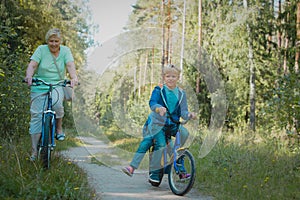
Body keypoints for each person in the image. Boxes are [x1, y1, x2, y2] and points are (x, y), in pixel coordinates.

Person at [122, 64, 196, 184]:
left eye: (173, 76)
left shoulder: (181, 93)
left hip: (172, 124)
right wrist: (158, 108)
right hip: (158, 124)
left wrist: (189, 115)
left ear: (178, 78)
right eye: (168, 76)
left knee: (184, 133)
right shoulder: (159, 90)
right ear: (163, 77)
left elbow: (183, 111)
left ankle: (177, 162)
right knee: (160, 145)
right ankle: (153, 173)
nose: (171, 79)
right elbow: (152, 102)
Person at [24, 28, 79, 161]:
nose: (53, 44)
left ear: (60, 41)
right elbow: (33, 65)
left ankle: (58, 128)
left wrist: (74, 77)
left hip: (57, 84)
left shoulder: (65, 51)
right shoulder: (41, 50)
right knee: (36, 116)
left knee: (57, 104)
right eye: (51, 41)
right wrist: (29, 76)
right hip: (40, 85)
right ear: (47, 41)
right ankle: (34, 152)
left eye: (56, 41)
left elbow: (70, 65)